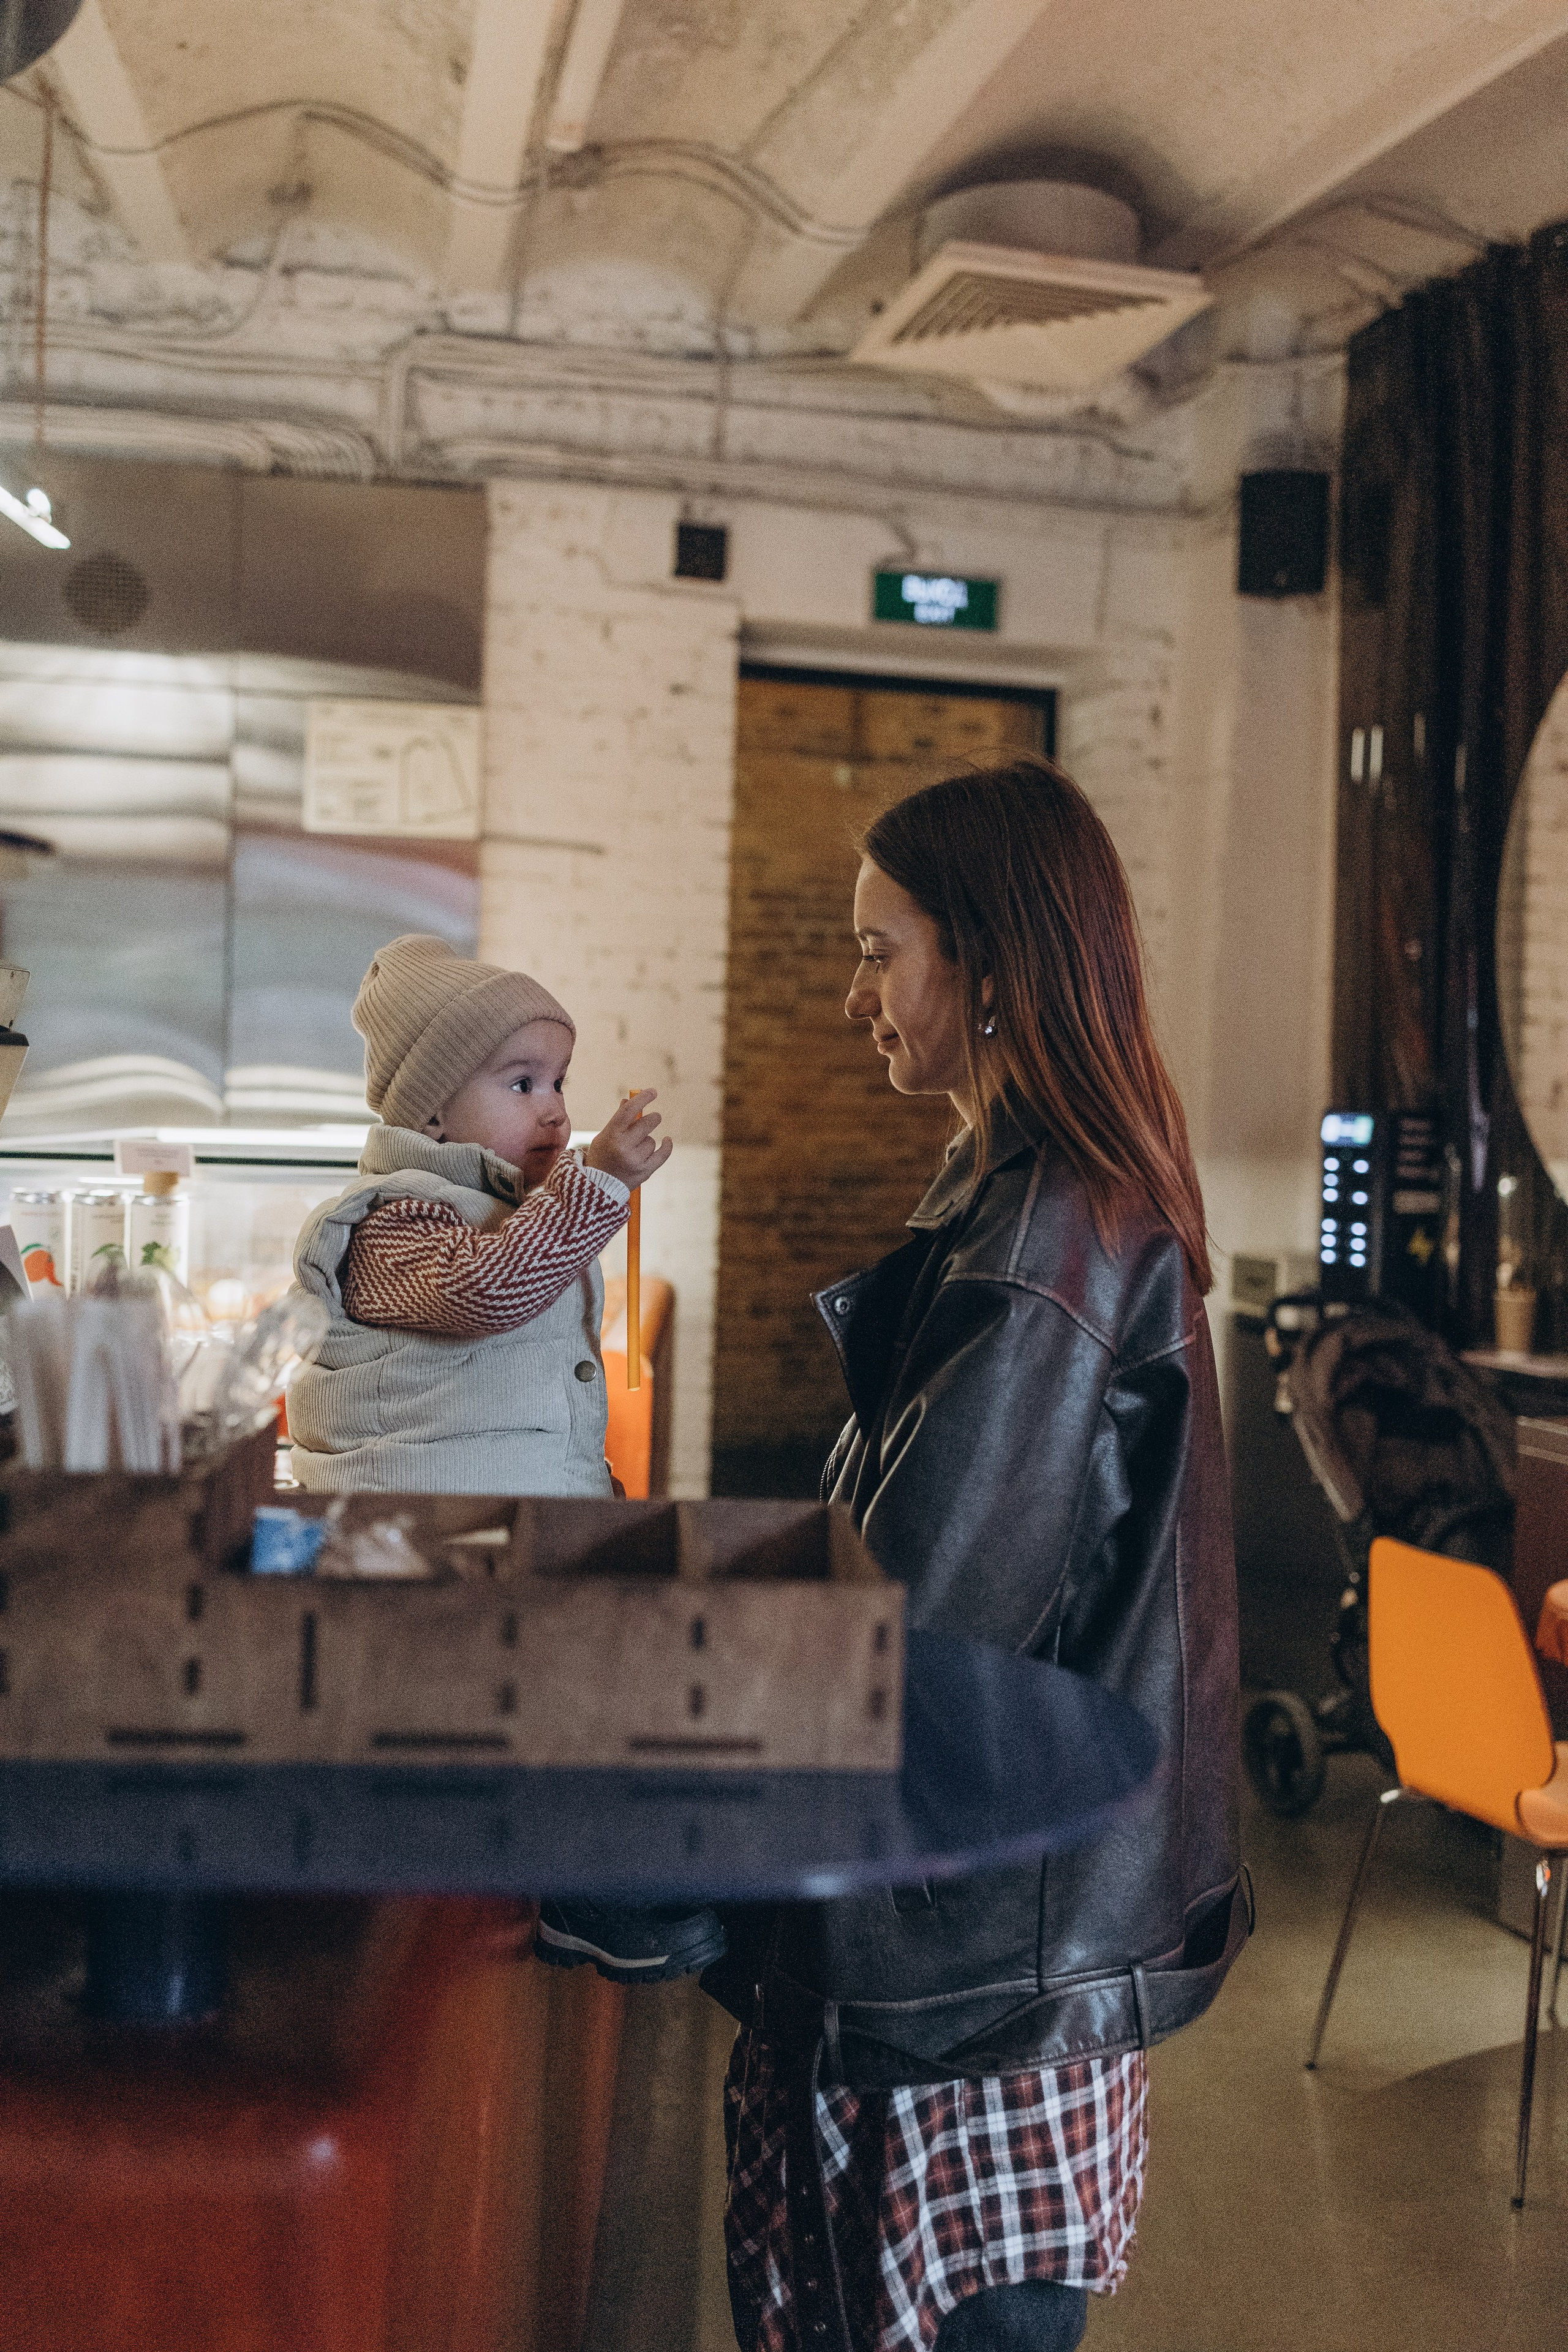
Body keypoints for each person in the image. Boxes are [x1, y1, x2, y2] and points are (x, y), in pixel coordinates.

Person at [705, 760, 1246, 2352]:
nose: (858, 990)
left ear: (992, 968)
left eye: (884, 950)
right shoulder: (1046, 1201)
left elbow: (912, 1643)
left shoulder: (1039, 1251)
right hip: (1020, 1961)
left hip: (965, 2001)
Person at [287, 931, 724, 1983]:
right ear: (427, 1112)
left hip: (498, 1533)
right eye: (521, 1081)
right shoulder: (388, 1223)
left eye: (560, 1081)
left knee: (628, 1659)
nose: (555, 1109)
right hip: (415, 1553)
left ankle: (635, 1866)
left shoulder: (508, 1212)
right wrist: (598, 1183)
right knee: (563, 1694)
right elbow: (485, 1293)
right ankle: (589, 1894)